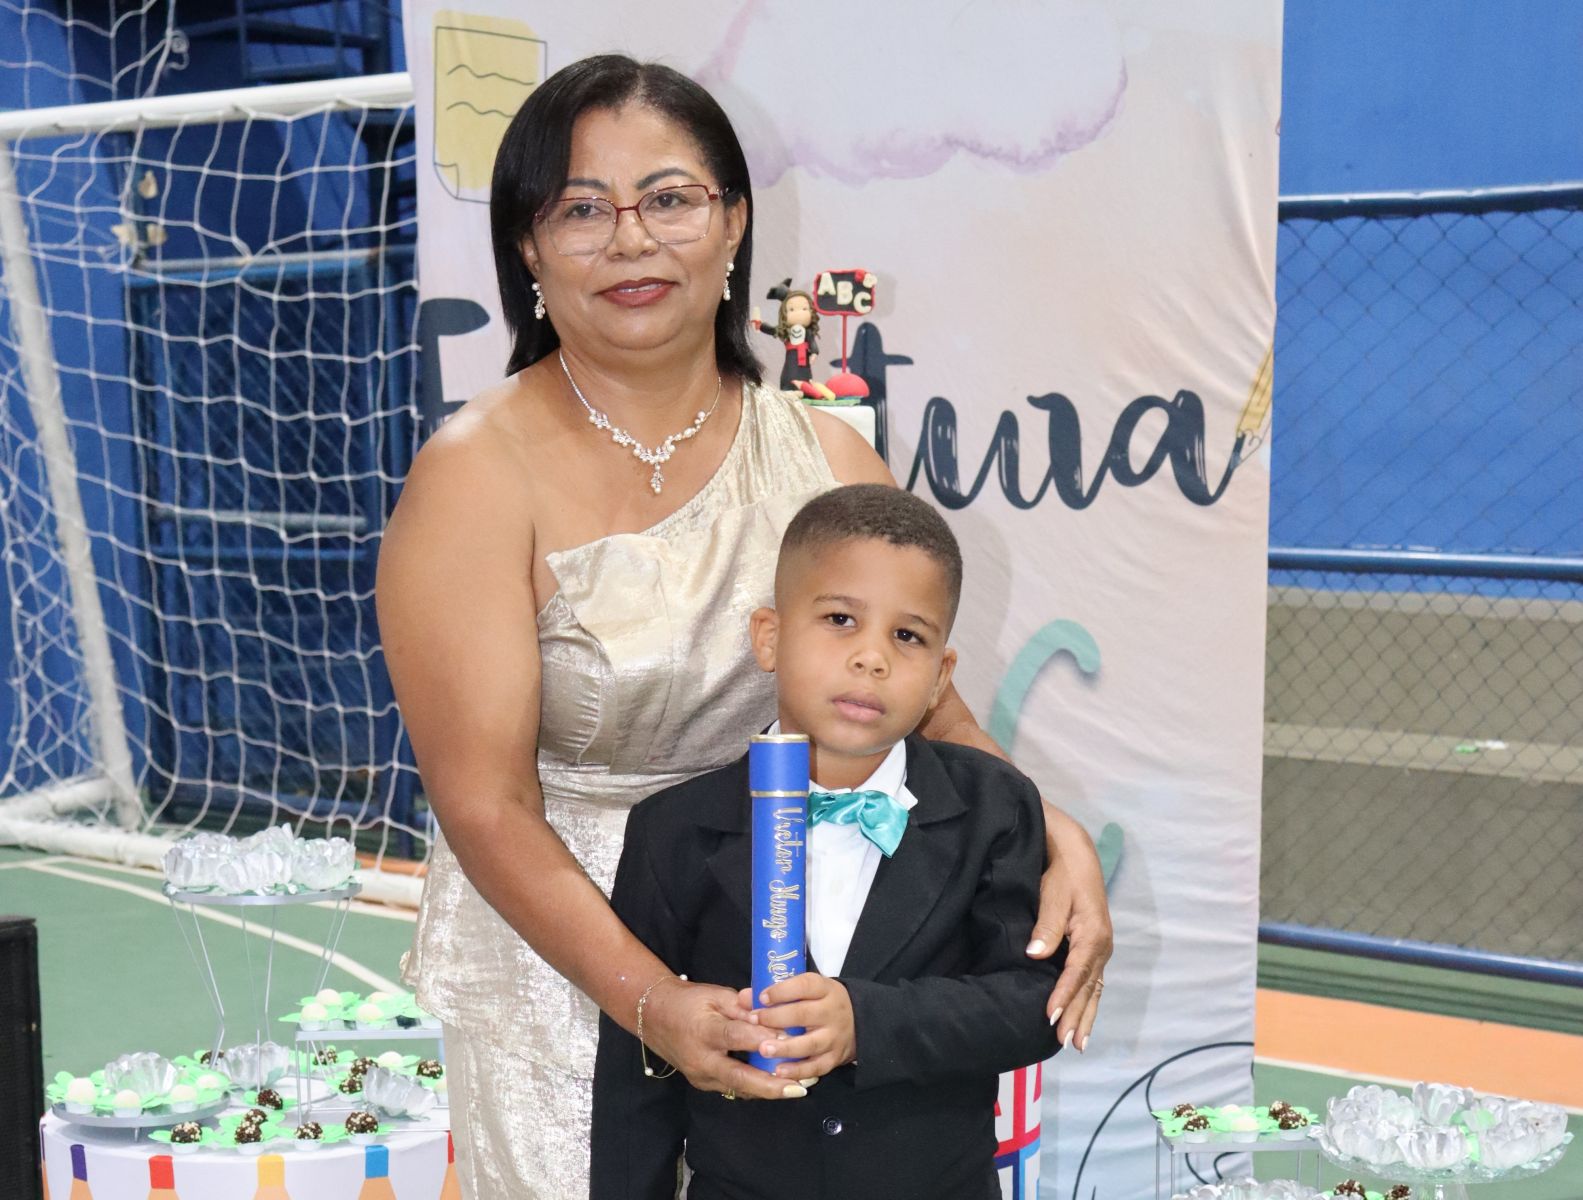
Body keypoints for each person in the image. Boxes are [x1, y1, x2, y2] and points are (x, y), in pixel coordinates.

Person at [375, 54, 1111, 1199]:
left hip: (808, 962)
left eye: (668, 199)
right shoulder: (473, 474)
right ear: (526, 247)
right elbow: (484, 803)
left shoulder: (823, 455)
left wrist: (1052, 835)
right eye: (581, 209)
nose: (631, 240)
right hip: (562, 975)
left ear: (732, 223)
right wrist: (650, 1001)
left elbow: (929, 715)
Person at [591, 485, 1066, 1200]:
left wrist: (866, 1023)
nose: (871, 658)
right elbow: (634, 1074)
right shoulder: (674, 828)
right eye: (841, 619)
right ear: (769, 637)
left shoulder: (993, 806)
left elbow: (1033, 1007)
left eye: (907, 636)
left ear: (940, 677)